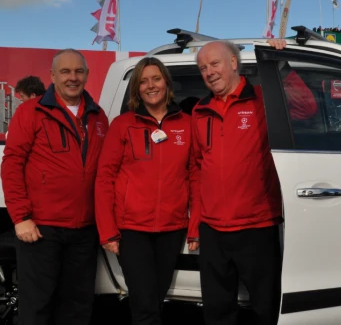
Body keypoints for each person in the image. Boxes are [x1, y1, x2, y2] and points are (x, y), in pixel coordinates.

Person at [0, 48, 109, 325]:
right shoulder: (31, 112)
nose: (73, 77)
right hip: (41, 229)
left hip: (84, 230)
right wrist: (21, 217)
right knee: (37, 307)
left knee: (78, 307)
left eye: (79, 71)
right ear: (52, 76)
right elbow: (12, 164)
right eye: (65, 71)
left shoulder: (98, 117)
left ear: (86, 75)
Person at [190, 39, 290, 325]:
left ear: (233, 63)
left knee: (266, 306)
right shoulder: (199, 110)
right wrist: (197, 222)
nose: (208, 72)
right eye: (202, 68)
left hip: (256, 226)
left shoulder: (264, 98)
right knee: (217, 309)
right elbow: (197, 169)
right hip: (212, 229)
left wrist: (283, 64)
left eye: (214, 63)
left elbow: (305, 109)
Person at [95, 57, 198, 325]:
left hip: (172, 228)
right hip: (132, 229)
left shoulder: (187, 124)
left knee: (154, 300)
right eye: (143, 81)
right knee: (144, 305)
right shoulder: (122, 124)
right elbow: (105, 178)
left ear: (166, 82)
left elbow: (195, 178)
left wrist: (194, 226)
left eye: (156, 79)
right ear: (136, 89)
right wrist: (107, 231)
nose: (150, 85)